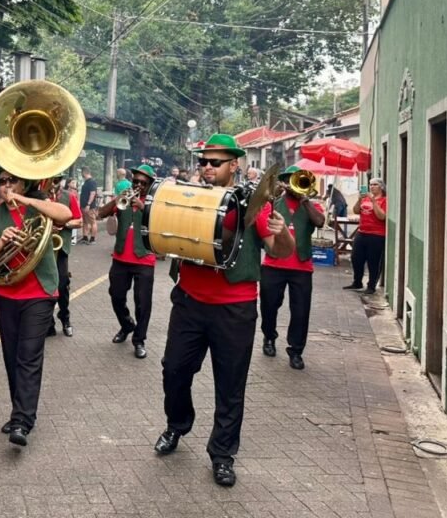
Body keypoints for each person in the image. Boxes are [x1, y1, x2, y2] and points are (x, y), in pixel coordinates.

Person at [155, 133, 294, 488]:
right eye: (202, 162)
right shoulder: (189, 196)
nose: (206, 168)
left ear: (234, 164)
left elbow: (277, 252)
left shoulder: (255, 203)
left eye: (214, 162)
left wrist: (283, 233)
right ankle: (177, 424)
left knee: (230, 384)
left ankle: (222, 454)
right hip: (188, 300)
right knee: (173, 369)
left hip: (235, 306)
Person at [0, 166, 72, 447]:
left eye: (12, 181)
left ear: (23, 183)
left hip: (39, 293)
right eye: (2, 182)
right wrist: (2, 240)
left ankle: (22, 420)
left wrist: (28, 200)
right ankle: (19, 411)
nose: (6, 186)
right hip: (8, 292)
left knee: (28, 356)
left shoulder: (39, 209)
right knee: (11, 356)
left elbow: (66, 215)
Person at [259, 166, 325, 370]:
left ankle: (295, 351)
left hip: (302, 267)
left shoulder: (310, 206)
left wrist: (305, 200)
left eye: (297, 181)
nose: (294, 185)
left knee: (300, 312)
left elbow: (320, 222)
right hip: (273, 264)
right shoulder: (273, 203)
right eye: (289, 180)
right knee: (269, 306)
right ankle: (269, 337)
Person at [97, 164, 157, 359]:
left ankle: (139, 340)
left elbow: (162, 223)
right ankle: (126, 325)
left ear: (149, 184)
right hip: (121, 257)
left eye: (143, 182)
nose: (138, 185)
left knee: (143, 303)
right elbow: (101, 213)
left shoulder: (154, 202)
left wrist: (144, 208)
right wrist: (117, 199)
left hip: (144, 259)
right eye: (136, 181)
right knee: (116, 296)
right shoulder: (125, 196)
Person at [47, 175, 82, 337]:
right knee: (46, 286)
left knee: (62, 284)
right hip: (43, 248)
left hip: (60, 248)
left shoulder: (69, 197)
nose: (52, 183)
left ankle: (65, 318)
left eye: (55, 180)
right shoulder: (41, 197)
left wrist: (63, 224)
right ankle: (48, 323)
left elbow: (79, 221)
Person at [344, 178, 387, 293]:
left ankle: (371, 286)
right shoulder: (365, 198)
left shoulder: (384, 200)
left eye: (375, 185)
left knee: (374, 261)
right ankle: (357, 282)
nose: (372, 187)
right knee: (356, 258)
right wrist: (359, 200)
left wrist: (373, 201)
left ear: (381, 187)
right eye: (370, 184)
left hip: (377, 235)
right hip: (362, 232)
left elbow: (381, 217)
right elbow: (356, 210)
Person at [78, 167, 98, 244]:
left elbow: (92, 193)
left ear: (84, 173)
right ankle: (85, 237)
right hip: (84, 205)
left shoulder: (91, 182)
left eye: (81, 173)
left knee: (92, 221)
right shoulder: (86, 182)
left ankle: (93, 238)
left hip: (89, 206)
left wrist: (88, 204)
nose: (81, 175)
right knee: (85, 221)